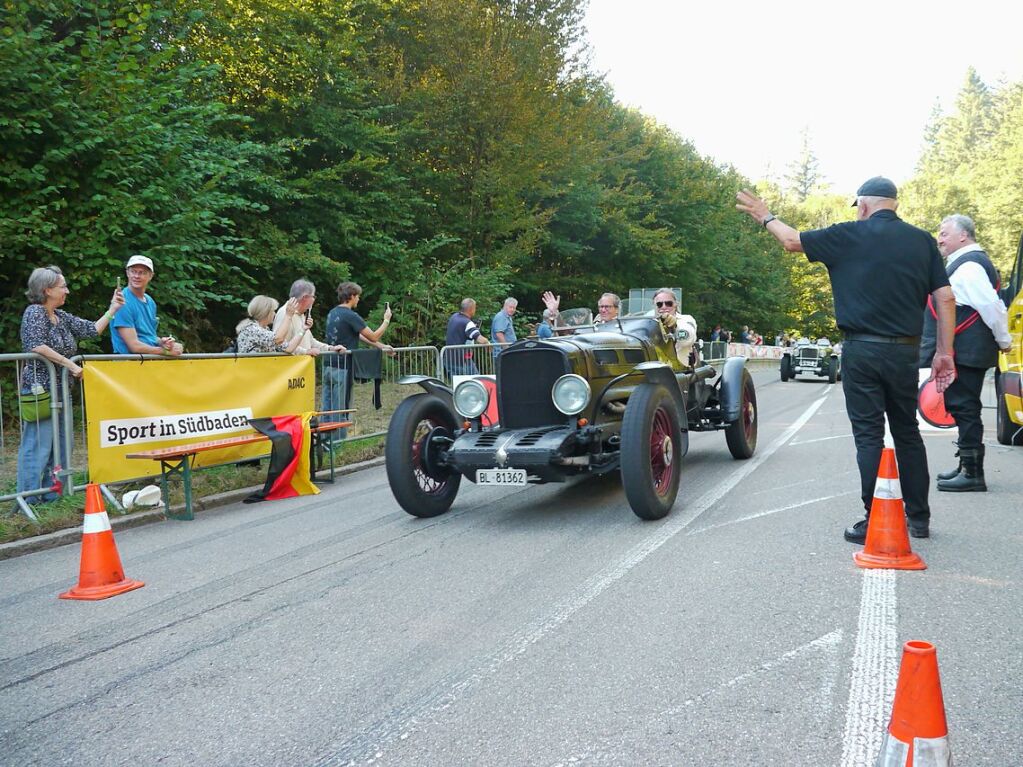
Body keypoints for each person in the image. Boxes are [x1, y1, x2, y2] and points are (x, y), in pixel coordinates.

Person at [737, 176, 956, 543]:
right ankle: (919, 519)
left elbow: (792, 240)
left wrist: (765, 215)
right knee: (907, 434)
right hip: (906, 350)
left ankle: (876, 519)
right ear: (894, 204)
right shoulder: (921, 241)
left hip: (862, 349)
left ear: (864, 205)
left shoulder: (847, 235)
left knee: (869, 436)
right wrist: (944, 353)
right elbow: (946, 298)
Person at [920, 214, 1011, 492]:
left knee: (965, 407)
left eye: (945, 233)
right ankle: (966, 465)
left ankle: (973, 473)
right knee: (962, 406)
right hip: (968, 347)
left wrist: (1004, 339)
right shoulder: (966, 263)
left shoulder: (970, 266)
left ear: (964, 235)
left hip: (968, 349)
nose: (940, 238)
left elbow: (991, 306)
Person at [18, 266, 125, 500]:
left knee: (61, 445)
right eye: (62, 286)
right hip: (41, 392)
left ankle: (54, 496)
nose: (67, 290)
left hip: (61, 391)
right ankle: (29, 498)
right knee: (38, 445)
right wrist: (71, 365)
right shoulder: (34, 313)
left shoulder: (61, 317)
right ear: (47, 290)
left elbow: (91, 330)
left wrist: (113, 309)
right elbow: (36, 345)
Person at [323, 281, 395, 436]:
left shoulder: (332, 313)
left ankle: (324, 443)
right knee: (341, 408)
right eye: (358, 297)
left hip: (328, 365)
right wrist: (386, 320)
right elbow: (374, 335)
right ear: (351, 296)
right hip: (343, 368)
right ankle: (338, 444)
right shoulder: (350, 315)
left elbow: (361, 336)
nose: (359, 300)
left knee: (326, 408)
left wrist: (381, 347)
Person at [111, 255, 183, 356]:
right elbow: (134, 346)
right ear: (127, 273)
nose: (136, 276)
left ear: (151, 275)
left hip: (148, 361)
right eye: (133, 271)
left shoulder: (150, 301)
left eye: (142, 273)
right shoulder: (121, 302)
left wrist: (162, 342)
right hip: (128, 364)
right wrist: (166, 351)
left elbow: (148, 336)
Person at [271, 278, 345, 357]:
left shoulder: (301, 314)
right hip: (291, 367)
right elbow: (280, 345)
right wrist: (306, 351)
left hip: (302, 367)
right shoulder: (285, 314)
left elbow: (310, 341)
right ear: (305, 297)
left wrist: (330, 348)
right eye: (313, 296)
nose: (314, 300)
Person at [235, 296, 306, 354]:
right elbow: (278, 339)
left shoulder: (265, 330)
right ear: (266, 312)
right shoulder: (251, 330)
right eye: (273, 311)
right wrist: (288, 315)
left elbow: (289, 348)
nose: (274, 314)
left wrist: (303, 329)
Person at [650, 288, 698, 363]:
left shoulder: (686, 319)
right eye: (659, 304)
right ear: (654, 306)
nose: (664, 307)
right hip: (653, 367)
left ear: (675, 305)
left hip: (679, 369)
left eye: (668, 303)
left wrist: (675, 325)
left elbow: (687, 340)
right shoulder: (648, 322)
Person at [444, 298, 489, 377]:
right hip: (462, 361)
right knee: (476, 381)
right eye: (475, 308)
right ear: (471, 309)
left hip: (449, 358)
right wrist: (488, 343)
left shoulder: (454, 317)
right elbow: (480, 339)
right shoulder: (467, 323)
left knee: (458, 386)